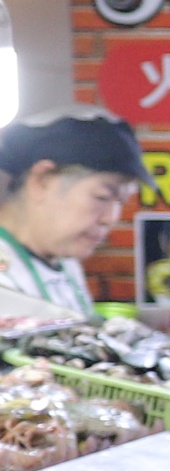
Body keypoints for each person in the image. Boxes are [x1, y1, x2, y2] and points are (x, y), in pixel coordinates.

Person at [0, 112, 142, 321]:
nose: (110, 218)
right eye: (102, 197)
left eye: (121, 201)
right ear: (42, 180)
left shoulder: (66, 262)